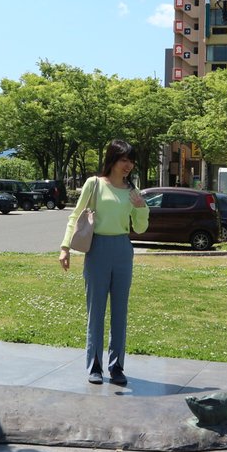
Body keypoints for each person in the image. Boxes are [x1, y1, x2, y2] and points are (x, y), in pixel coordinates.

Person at [59, 140, 150, 386]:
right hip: (97, 249)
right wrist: (65, 247)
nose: (128, 165)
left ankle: (117, 366)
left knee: (120, 312)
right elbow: (76, 216)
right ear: (112, 160)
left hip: (122, 249)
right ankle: (95, 366)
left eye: (131, 161)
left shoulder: (133, 190)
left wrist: (142, 208)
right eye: (124, 160)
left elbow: (140, 228)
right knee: (96, 311)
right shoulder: (94, 184)